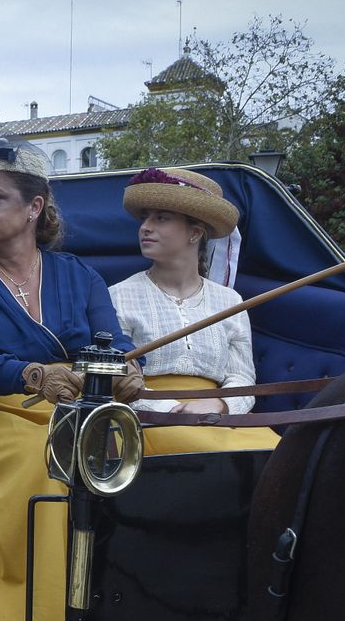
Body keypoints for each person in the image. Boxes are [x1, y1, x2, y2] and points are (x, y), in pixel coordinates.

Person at [0, 141, 143, 621]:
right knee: (50, 464)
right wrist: (29, 374)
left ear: (34, 208)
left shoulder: (79, 275)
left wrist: (129, 370)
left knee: (152, 458)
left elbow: (112, 344)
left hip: (74, 411)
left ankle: (145, 608)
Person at [108, 167, 280, 455]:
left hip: (222, 418)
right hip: (147, 420)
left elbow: (242, 379)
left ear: (195, 233)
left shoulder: (230, 301)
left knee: (279, 453)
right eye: (145, 217)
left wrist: (219, 405)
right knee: (209, 453)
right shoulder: (118, 297)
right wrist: (173, 410)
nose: (145, 227)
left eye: (160, 218)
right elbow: (117, 380)